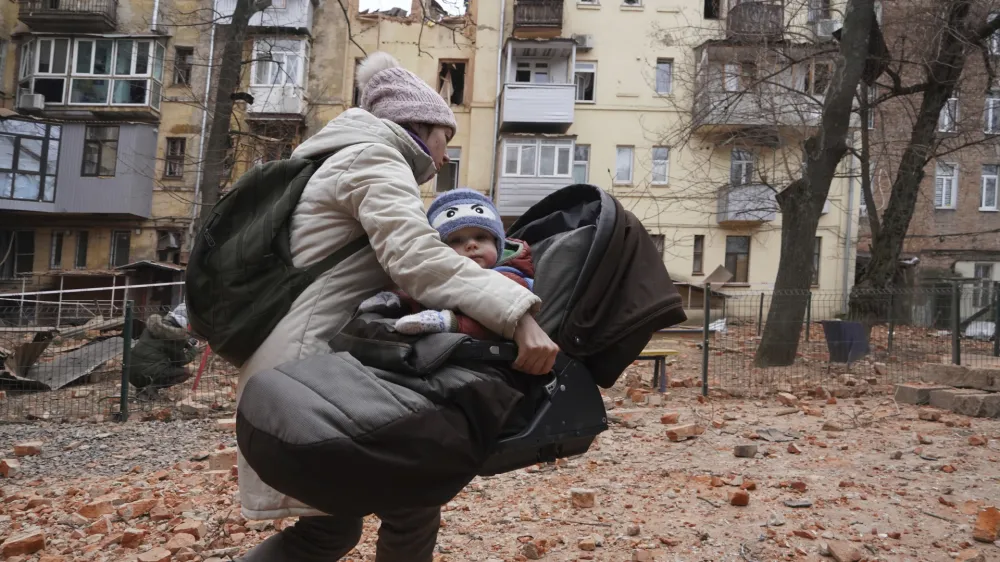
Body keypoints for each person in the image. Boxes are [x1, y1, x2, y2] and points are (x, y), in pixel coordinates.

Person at [237, 51, 560, 562]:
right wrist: (516, 313)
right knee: (411, 496)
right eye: (443, 139)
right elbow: (417, 258)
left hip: (300, 362)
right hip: (313, 368)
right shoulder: (372, 159)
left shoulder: (334, 160)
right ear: (417, 125)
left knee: (334, 528)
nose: (442, 157)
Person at [357, 188, 535, 340]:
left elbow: (504, 313)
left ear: (498, 243)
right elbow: (428, 293)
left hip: (489, 345)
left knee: (495, 314)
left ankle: (447, 323)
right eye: (456, 240)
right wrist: (401, 298)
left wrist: (450, 322)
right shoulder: (442, 275)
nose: (471, 245)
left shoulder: (510, 277)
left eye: (481, 237)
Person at [127, 303, 199, 399]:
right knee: (185, 372)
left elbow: (162, 339)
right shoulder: (175, 339)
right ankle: (151, 388)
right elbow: (180, 361)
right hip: (146, 375)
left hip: (130, 372)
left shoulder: (151, 328)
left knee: (156, 362)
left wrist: (185, 342)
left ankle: (142, 388)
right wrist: (194, 349)